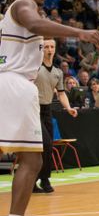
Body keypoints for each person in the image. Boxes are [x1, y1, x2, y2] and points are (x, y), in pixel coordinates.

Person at [0, 0, 99, 216]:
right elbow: (36, 26)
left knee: (31, 160)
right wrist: (80, 33)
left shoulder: (21, 13)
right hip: (15, 85)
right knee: (32, 161)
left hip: (13, 84)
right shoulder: (22, 5)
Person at [33, 38, 78, 194]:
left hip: (47, 110)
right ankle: (41, 179)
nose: (49, 49)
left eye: (52, 47)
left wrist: (68, 108)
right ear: (41, 49)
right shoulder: (34, 68)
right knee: (44, 144)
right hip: (33, 110)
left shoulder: (58, 72)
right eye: (46, 47)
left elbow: (61, 93)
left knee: (48, 145)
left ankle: (41, 179)